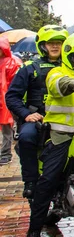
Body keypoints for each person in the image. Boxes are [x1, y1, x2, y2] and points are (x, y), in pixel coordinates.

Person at [27, 34, 74, 237]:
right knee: (49, 179)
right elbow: (57, 84)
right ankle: (34, 229)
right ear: (72, 55)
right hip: (63, 135)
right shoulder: (57, 71)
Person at [5, 25, 68, 198]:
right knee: (26, 137)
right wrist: (26, 114)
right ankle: (31, 181)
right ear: (43, 45)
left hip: (66, 119)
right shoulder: (29, 68)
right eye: (51, 43)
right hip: (38, 119)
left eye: (59, 43)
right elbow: (12, 97)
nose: (55, 46)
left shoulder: (70, 69)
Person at [0, 37, 21, 166]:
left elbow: (16, 83)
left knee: (7, 127)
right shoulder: (11, 63)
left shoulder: (12, 63)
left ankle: (5, 154)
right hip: (5, 99)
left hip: (6, 100)